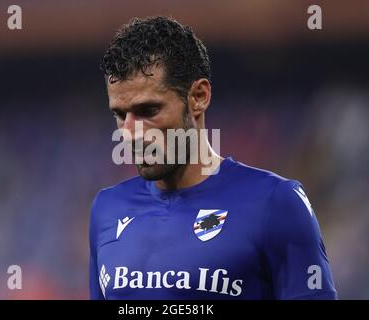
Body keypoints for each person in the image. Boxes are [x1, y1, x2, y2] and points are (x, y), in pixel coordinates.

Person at [89, 16, 337, 300]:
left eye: (148, 110)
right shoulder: (107, 209)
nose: (130, 133)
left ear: (199, 96)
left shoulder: (275, 203)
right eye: (120, 115)